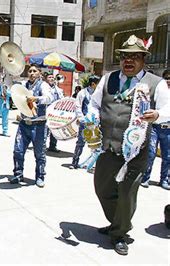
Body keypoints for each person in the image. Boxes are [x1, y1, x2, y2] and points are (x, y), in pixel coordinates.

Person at [88, 35, 170, 255]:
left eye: (135, 57)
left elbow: (168, 109)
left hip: (136, 152)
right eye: (125, 57)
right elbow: (94, 104)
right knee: (103, 190)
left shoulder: (156, 83)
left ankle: (119, 233)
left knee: (126, 194)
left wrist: (158, 115)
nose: (129, 61)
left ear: (144, 60)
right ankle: (117, 223)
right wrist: (91, 117)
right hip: (106, 147)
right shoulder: (108, 79)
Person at [9, 64, 53, 188]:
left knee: (39, 153)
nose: (32, 73)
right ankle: (18, 174)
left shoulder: (43, 85)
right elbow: (13, 91)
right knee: (18, 150)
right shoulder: (24, 85)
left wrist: (36, 99)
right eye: (30, 71)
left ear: (39, 73)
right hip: (24, 124)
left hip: (38, 125)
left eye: (34, 71)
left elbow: (49, 97)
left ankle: (40, 176)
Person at [140, 69, 170, 190]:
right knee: (151, 153)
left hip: (168, 128)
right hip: (155, 127)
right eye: (167, 78)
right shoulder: (159, 87)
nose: (169, 81)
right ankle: (145, 178)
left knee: (168, 156)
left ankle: (164, 180)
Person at [70, 75, 101, 169]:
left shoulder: (99, 93)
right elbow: (77, 106)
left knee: (96, 143)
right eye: (98, 84)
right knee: (80, 142)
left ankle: (92, 164)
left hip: (96, 122)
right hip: (85, 121)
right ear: (93, 84)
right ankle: (74, 162)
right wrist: (81, 118)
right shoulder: (82, 93)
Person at [45, 72, 64, 152]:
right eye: (49, 77)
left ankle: (52, 146)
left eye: (52, 77)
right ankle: (41, 145)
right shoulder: (44, 87)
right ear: (46, 79)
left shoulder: (58, 89)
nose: (52, 79)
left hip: (55, 112)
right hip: (46, 111)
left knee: (55, 129)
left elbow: (61, 99)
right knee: (45, 130)